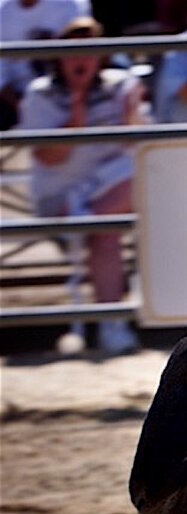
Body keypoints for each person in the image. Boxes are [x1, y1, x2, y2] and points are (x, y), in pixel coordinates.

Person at [16, 15, 148, 354]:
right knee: (103, 228)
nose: (81, 58)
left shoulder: (121, 85)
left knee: (111, 218)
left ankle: (112, 322)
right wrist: (77, 112)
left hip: (113, 195)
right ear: (58, 56)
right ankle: (112, 323)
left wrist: (131, 116)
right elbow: (49, 158)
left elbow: (142, 148)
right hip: (61, 201)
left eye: (89, 49)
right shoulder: (39, 95)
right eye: (72, 49)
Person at [0, 0, 90, 130]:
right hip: (14, 99)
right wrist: (23, 107)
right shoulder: (2, 11)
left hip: (68, 92)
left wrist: (76, 98)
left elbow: (84, 57)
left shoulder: (71, 5)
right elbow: (1, 74)